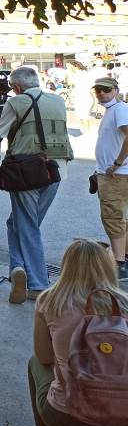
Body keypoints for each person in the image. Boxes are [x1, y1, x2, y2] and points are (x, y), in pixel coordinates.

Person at [28, 239, 128, 426]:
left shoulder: (50, 301)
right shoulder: (125, 304)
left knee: (35, 363)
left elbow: (44, 357)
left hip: (69, 419)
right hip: (123, 423)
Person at [0, 66, 73, 303]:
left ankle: (36, 283)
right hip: (57, 170)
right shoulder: (58, 100)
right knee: (19, 223)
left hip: (27, 171)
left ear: (16, 87)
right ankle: (18, 268)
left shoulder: (15, 103)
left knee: (27, 226)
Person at [93, 77, 128, 280]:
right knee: (122, 218)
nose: (102, 93)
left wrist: (116, 163)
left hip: (116, 175)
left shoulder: (119, 110)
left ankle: (119, 263)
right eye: (98, 90)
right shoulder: (114, 110)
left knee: (113, 217)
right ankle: (123, 258)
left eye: (106, 90)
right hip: (116, 173)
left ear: (116, 90)